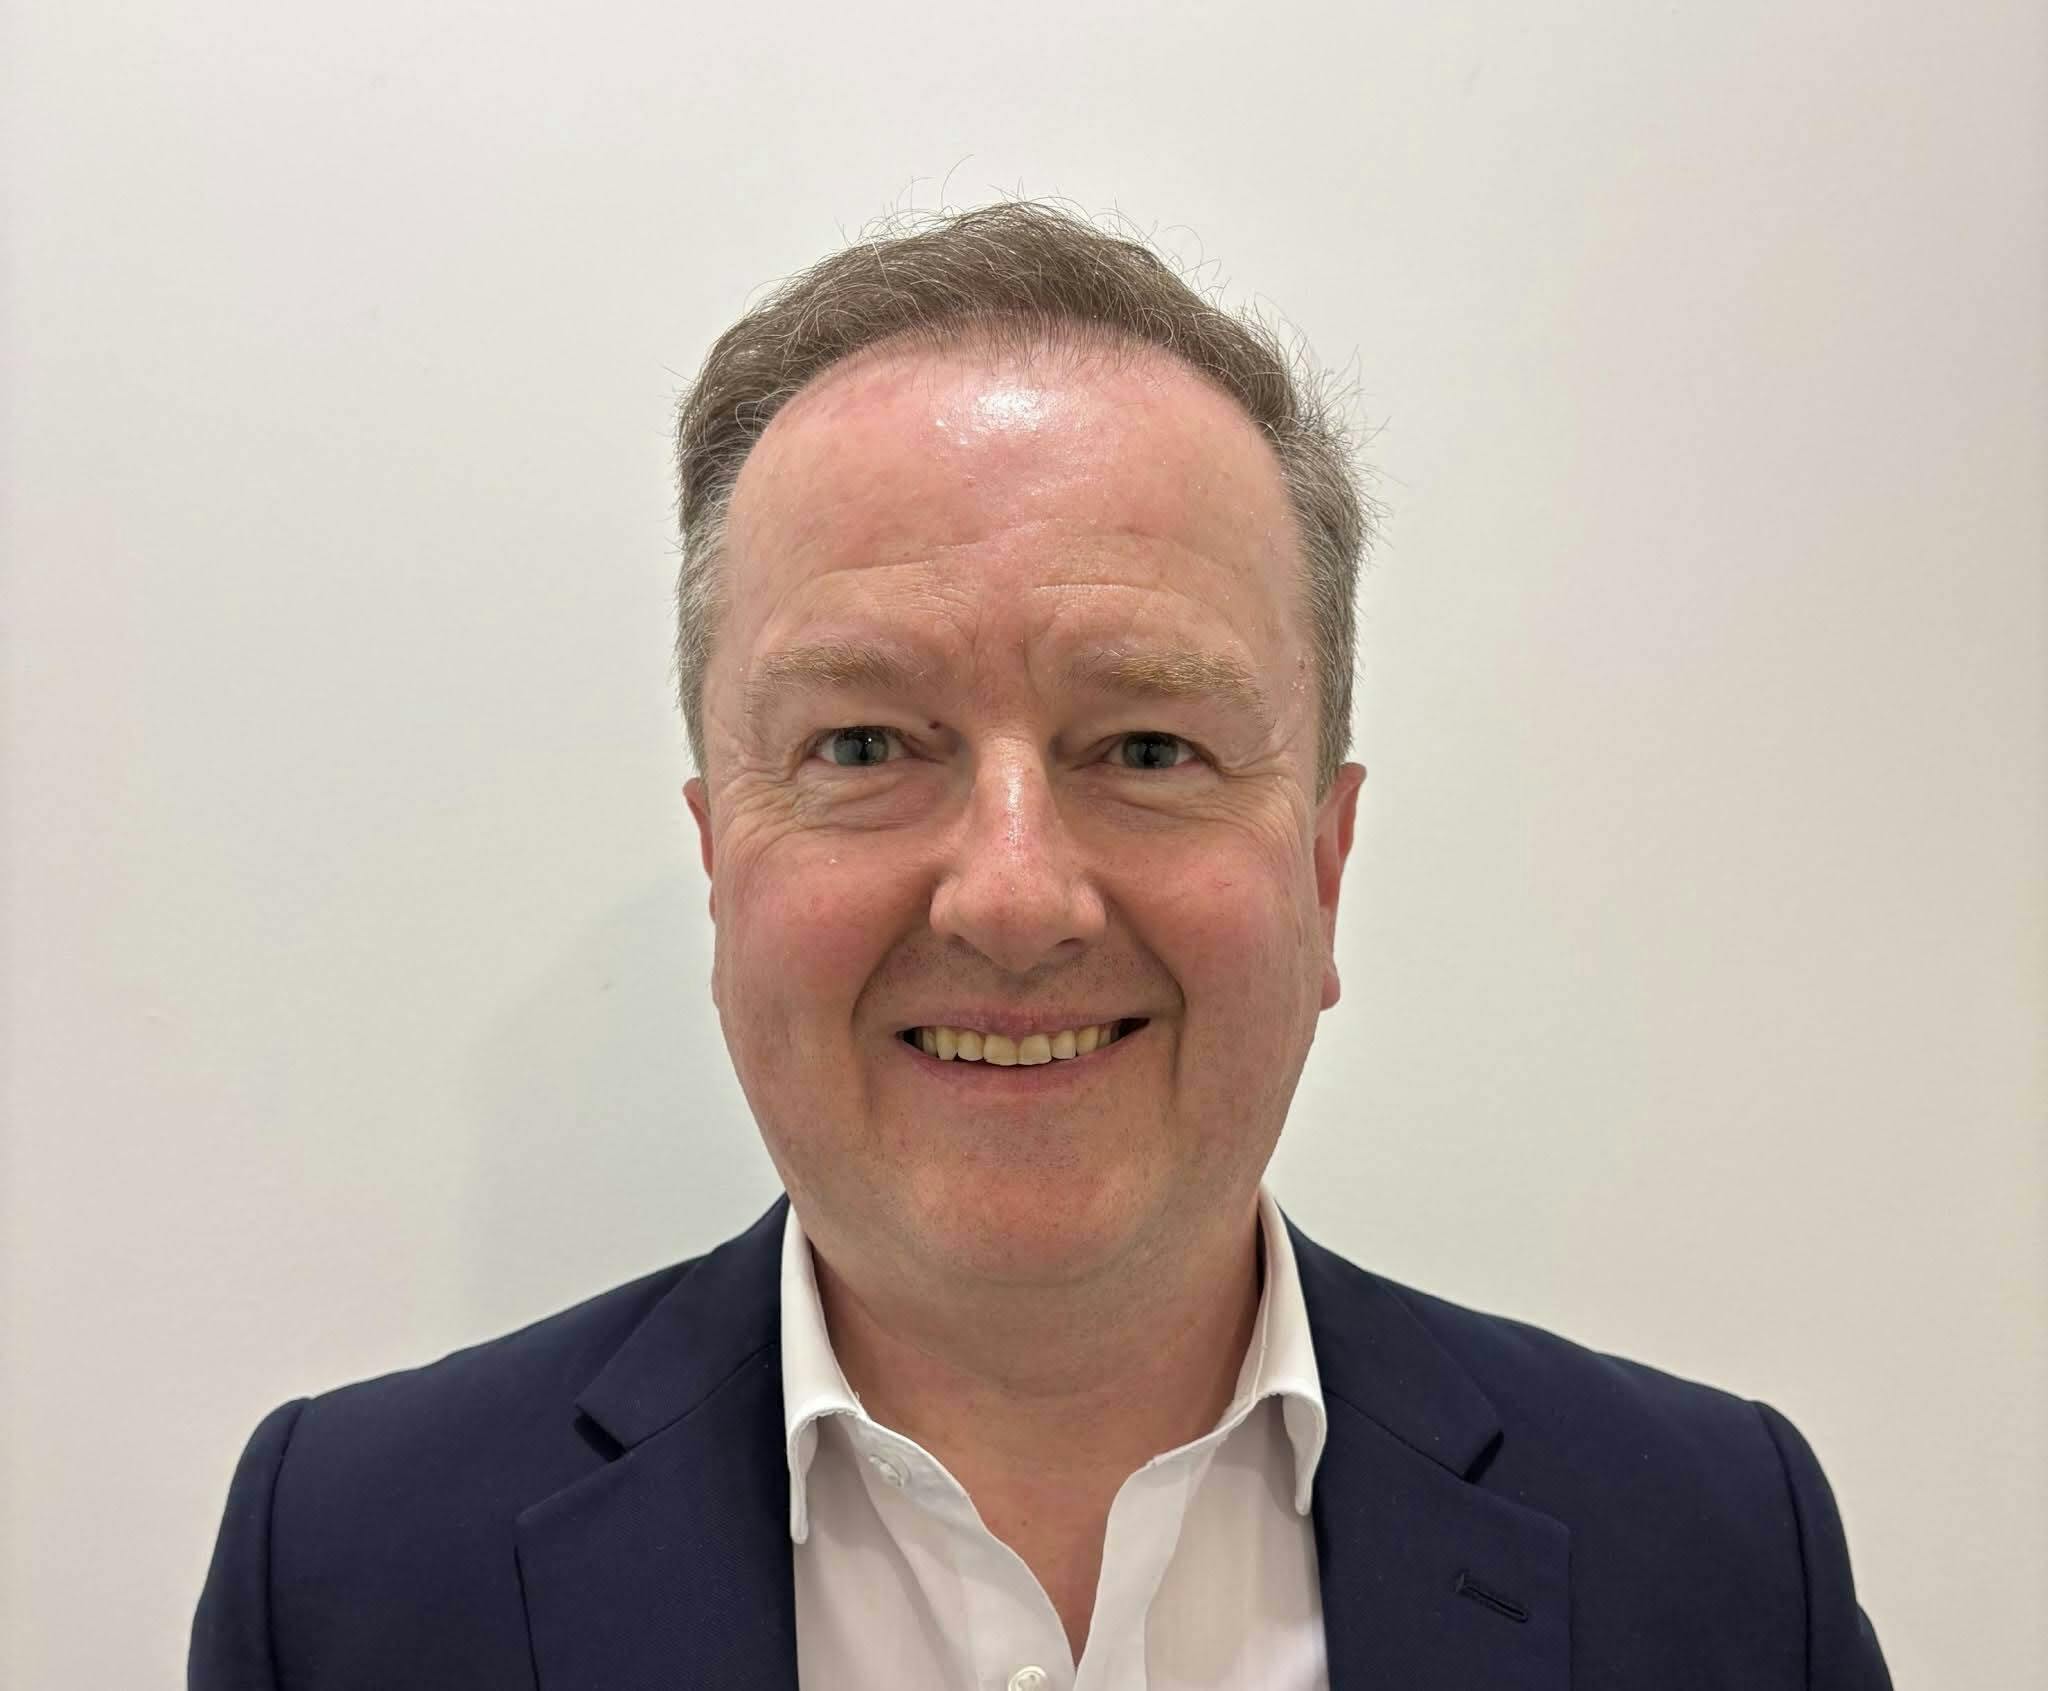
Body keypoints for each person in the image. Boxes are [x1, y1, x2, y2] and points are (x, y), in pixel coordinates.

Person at [190, 201, 1891, 1689]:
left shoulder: (1723, 1559)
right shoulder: (347, 1573)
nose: (1012, 897)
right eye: (865, 744)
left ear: (1325, 867)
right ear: (720, 864)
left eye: (1148, 747)